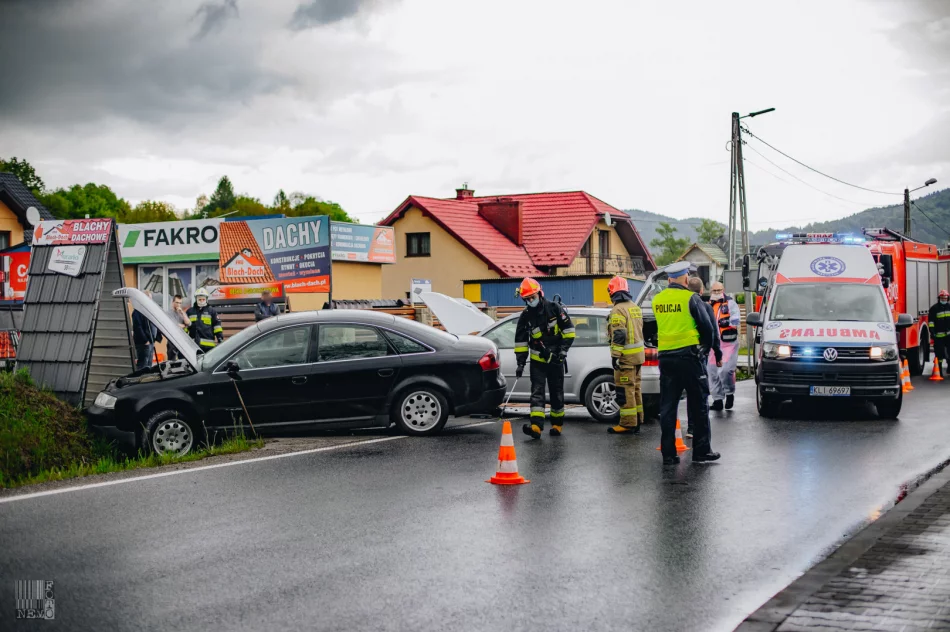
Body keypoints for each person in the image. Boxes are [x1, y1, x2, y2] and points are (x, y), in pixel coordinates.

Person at [651, 262, 719, 465]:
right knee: (699, 404)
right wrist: (706, 348)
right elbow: (707, 327)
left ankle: (669, 454)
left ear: (669, 279)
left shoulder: (657, 299)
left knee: (668, 407)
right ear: (686, 279)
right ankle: (701, 451)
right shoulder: (690, 298)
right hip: (690, 358)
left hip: (666, 359)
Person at [514, 277, 575, 439]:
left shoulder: (555, 308)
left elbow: (569, 332)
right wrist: (520, 363)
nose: (530, 301)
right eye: (527, 299)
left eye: (532, 297)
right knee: (537, 393)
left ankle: (556, 425)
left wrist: (562, 353)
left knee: (556, 392)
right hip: (537, 363)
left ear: (540, 294)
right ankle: (536, 427)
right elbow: (520, 342)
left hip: (555, 360)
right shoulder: (525, 316)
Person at [605, 276, 646, 434]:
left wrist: (615, 355)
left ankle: (627, 424)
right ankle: (637, 419)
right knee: (635, 388)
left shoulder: (618, 309)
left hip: (626, 359)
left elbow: (619, 334)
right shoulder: (635, 307)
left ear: (612, 292)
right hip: (638, 357)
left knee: (624, 390)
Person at [687, 276, 721, 437]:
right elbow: (712, 332)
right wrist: (717, 353)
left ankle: (691, 427)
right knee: (699, 392)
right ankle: (698, 429)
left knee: (687, 391)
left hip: (681, 352)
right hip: (700, 354)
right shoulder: (706, 307)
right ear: (702, 291)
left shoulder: (683, 304)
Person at [707, 281, 740, 410]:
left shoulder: (731, 303)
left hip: (728, 343)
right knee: (713, 373)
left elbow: (736, 319)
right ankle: (717, 400)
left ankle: (730, 393)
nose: (716, 293)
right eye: (714, 291)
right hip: (713, 344)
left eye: (719, 290)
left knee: (726, 371)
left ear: (723, 290)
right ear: (711, 291)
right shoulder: (708, 305)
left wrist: (727, 321)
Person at [132, 290, 163, 370]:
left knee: (149, 365)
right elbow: (138, 327)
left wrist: (155, 338)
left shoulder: (148, 311)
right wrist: (146, 341)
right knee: (143, 365)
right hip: (143, 343)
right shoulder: (137, 311)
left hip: (150, 342)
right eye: (148, 299)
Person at [929, 289, 950, 372]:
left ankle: (949, 368)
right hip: (938, 336)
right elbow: (931, 322)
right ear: (939, 298)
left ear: (948, 298)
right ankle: (939, 370)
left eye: (945, 298)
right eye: (942, 298)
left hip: (949, 335)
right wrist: (932, 332)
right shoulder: (934, 308)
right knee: (939, 353)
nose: (944, 300)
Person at [166, 294, 190, 361]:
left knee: (182, 360)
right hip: (172, 340)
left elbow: (189, 323)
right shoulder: (169, 313)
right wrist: (183, 325)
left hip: (182, 340)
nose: (178, 305)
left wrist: (182, 313)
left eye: (180, 303)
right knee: (172, 361)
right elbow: (172, 325)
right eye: (177, 302)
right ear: (173, 302)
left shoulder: (182, 313)